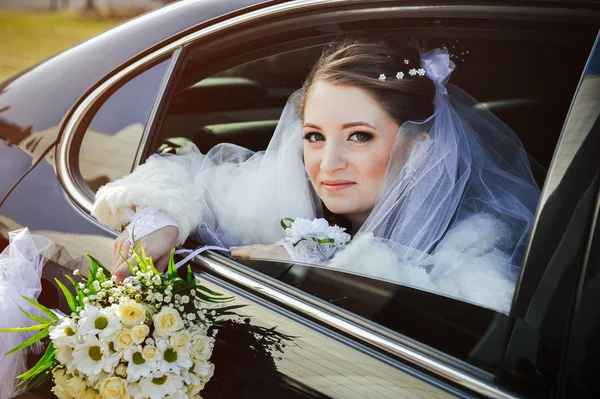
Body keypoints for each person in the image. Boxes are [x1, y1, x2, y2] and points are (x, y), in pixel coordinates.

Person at [92, 38, 540, 312]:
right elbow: (183, 176)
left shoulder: (480, 246)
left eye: (360, 136)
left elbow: (460, 318)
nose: (327, 164)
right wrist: (159, 219)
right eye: (314, 136)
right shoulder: (284, 193)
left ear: (421, 148)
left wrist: (318, 265)